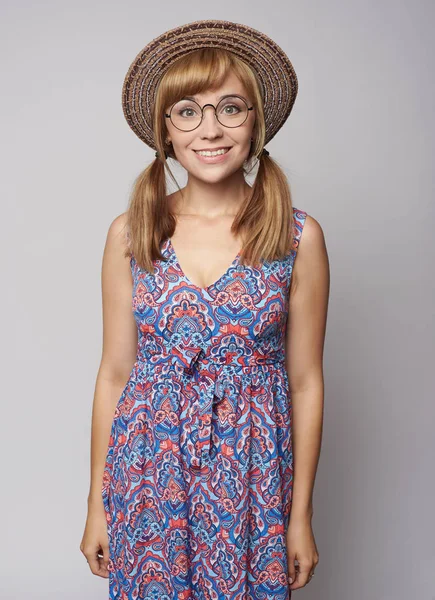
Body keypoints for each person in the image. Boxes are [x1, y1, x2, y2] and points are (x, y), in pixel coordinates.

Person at [80, 19, 329, 599]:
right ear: (165, 130)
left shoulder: (297, 238)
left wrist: (300, 515)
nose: (210, 129)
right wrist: (97, 502)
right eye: (188, 111)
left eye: (230, 108)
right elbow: (114, 375)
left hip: (252, 478)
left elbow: (306, 382)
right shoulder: (133, 232)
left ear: (255, 123)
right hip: (148, 473)